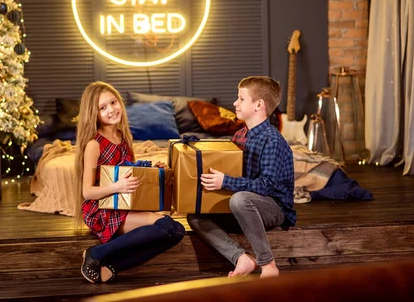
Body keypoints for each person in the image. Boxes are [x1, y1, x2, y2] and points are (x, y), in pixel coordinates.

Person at [74, 81, 185, 283]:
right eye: (102, 108)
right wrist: (116, 187)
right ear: (94, 114)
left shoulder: (123, 136)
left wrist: (151, 170)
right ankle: (95, 253)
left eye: (113, 102)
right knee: (167, 226)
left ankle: (112, 267)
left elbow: (127, 172)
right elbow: (87, 192)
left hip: (122, 202)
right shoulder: (93, 144)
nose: (111, 110)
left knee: (177, 231)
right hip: (101, 209)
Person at [187, 76, 296, 279]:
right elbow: (227, 166)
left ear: (259, 105)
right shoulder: (239, 136)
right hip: (242, 207)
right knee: (196, 216)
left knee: (240, 198)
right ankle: (241, 258)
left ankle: (268, 265)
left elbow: (267, 186)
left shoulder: (272, 140)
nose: (235, 103)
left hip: (273, 208)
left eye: (241, 99)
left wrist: (226, 181)